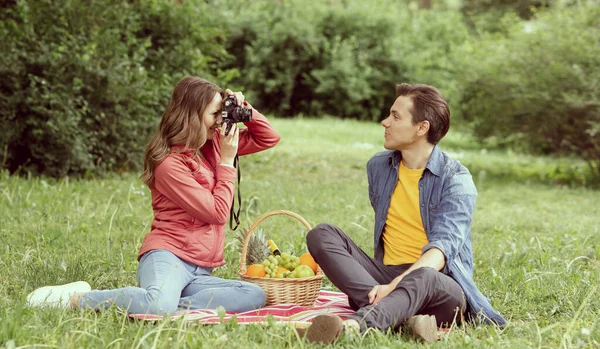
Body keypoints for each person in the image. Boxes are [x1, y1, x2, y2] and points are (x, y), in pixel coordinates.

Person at [26, 76, 280, 315]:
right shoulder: (169, 164)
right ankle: (77, 298)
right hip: (168, 256)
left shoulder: (211, 144)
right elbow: (217, 212)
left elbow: (269, 137)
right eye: (215, 114)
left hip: (201, 270)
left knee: (253, 294)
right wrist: (226, 162)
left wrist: (242, 106)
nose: (220, 121)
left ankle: (167, 303)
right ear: (192, 116)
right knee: (158, 305)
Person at [302, 83, 506, 344]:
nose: (385, 122)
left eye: (396, 117)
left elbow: (440, 252)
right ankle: (403, 316)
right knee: (322, 234)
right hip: (385, 275)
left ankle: (357, 325)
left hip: (440, 286)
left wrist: (397, 284)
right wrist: (388, 285)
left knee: (424, 276)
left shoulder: (456, 180)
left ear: (422, 128)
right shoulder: (379, 166)